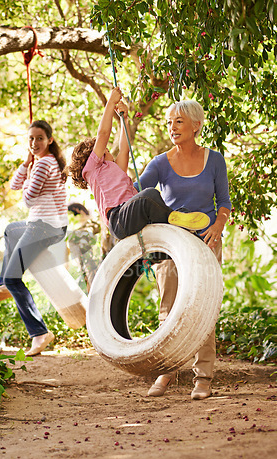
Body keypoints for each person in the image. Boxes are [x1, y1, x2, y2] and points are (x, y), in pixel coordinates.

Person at [135, 100, 232, 400]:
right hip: (170, 245)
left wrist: (218, 226)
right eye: (169, 121)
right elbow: (137, 193)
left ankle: (203, 377)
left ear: (196, 125)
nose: (172, 127)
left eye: (178, 121)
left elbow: (225, 203)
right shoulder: (160, 163)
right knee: (168, 310)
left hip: (205, 243)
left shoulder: (214, 160)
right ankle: (167, 371)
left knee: (203, 312)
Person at [67, 87, 210, 242]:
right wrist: (110, 103)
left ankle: (188, 234)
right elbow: (103, 134)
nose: (108, 151)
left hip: (134, 214)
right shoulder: (92, 170)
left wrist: (125, 120)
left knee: (181, 211)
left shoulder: (114, 169)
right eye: (105, 149)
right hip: (119, 218)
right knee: (149, 196)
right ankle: (172, 220)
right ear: (96, 155)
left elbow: (124, 149)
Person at [0, 120, 68, 356]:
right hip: (46, 225)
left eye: (39, 138)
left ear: (50, 140)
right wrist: (26, 164)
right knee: (11, 229)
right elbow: (14, 185)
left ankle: (40, 333)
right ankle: (5, 284)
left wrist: (32, 174)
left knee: (14, 279)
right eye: (30, 139)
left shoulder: (45, 164)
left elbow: (28, 199)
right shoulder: (45, 161)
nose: (34, 143)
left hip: (44, 227)